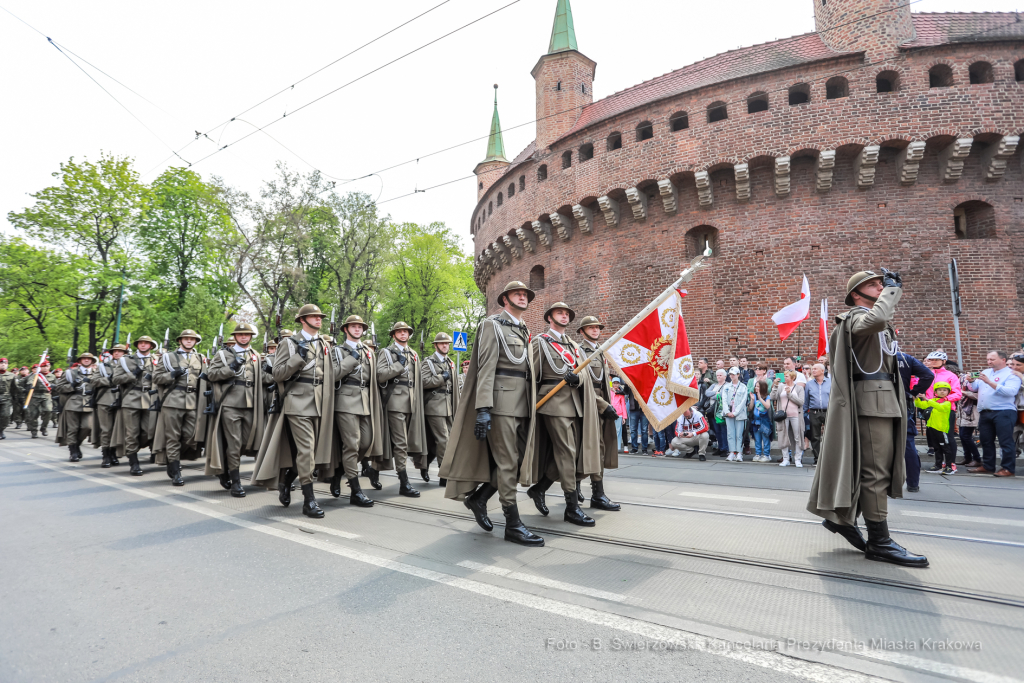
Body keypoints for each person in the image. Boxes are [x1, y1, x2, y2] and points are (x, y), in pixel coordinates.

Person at [808, 269, 928, 567]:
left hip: (883, 402)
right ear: (857, 295)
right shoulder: (855, 318)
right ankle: (879, 541)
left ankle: (841, 520)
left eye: (882, 283)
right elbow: (875, 319)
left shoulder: (875, 323)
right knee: (875, 474)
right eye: (874, 285)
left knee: (874, 469)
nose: (881, 287)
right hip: (872, 404)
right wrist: (892, 290)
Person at [439, 281, 544, 547]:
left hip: (523, 404)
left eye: (525, 294)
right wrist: (483, 408)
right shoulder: (492, 325)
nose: (523, 296)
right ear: (505, 299)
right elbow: (485, 368)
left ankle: (479, 498)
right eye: (517, 294)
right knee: (508, 463)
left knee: (518, 461)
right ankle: (513, 524)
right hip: (501, 404)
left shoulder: (524, 330)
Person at [525, 302, 607, 527]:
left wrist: (577, 378)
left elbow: (584, 375)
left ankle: (539, 489)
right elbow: (530, 375)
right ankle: (572, 507)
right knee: (567, 452)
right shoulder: (540, 342)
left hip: (575, 403)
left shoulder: (573, 345)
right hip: (552, 402)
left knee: (569, 454)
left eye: (566, 313)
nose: (563, 316)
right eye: (559, 313)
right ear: (549, 318)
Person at [251, 304, 336, 518]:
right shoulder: (289, 343)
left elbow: (330, 374)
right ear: (302, 320)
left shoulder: (323, 344)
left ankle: (287, 480)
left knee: (311, 453)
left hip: (319, 401)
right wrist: (297, 358)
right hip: (297, 402)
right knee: (306, 450)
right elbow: (277, 374)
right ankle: (309, 500)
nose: (319, 319)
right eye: (313, 317)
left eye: (319, 317)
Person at [202, 324, 270, 497]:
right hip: (230, 403)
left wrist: (277, 377)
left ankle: (225, 468)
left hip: (251, 403)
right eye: (240, 335)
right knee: (234, 443)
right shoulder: (223, 354)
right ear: (235, 336)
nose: (244, 337)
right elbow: (211, 374)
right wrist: (230, 369)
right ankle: (236, 482)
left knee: (248, 441)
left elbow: (260, 377)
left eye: (247, 335)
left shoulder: (254, 355)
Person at [328, 314, 382, 506]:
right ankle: (355, 490)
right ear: (346, 329)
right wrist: (351, 359)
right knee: (351, 445)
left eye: (360, 327)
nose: (358, 329)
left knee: (366, 443)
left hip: (364, 400)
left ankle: (339, 471)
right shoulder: (337, 351)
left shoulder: (368, 351)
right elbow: (332, 375)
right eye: (354, 326)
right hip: (345, 400)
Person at [573, 315, 622, 511]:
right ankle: (579, 488)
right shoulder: (579, 351)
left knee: (600, 448)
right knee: (586, 448)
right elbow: (583, 383)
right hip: (588, 402)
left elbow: (603, 382)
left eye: (597, 328)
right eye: (591, 328)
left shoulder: (600, 351)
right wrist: (602, 405)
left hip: (602, 402)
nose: (595, 330)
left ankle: (597, 493)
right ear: (582, 331)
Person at [376, 321, 427, 497]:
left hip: (411, 403)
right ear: (393, 335)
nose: (403, 334)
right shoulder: (386, 352)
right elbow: (380, 376)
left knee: (404, 442)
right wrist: (398, 365)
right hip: (395, 403)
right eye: (400, 331)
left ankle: (374, 470)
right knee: (401, 443)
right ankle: (404, 482)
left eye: (406, 331)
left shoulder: (413, 354)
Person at [152, 329, 208, 488]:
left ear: (196, 342)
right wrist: (172, 375)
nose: (189, 341)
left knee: (191, 435)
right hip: (173, 400)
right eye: (186, 339)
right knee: (172, 436)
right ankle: (176, 470)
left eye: (192, 339)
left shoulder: (199, 358)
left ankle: (172, 458)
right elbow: (156, 377)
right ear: (180, 341)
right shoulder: (168, 357)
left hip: (192, 401)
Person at [967, 350, 1022, 477]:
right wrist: (971, 381)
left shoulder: (1012, 374)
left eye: (992, 359)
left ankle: (1008, 468)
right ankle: (988, 466)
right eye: (988, 359)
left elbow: (1011, 392)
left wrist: (989, 382)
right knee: (986, 440)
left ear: (1003, 360)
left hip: (1004, 411)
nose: (989, 362)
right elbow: (975, 388)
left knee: (1005, 441)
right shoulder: (986, 372)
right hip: (986, 411)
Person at [111, 336, 159, 475]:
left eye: (146, 343)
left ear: (151, 345)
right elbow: (115, 379)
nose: (143, 345)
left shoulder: (157, 360)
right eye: (141, 343)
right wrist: (132, 375)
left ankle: (139, 450)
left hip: (150, 398)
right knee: (131, 433)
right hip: (131, 399)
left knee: (149, 431)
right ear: (137, 345)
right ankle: (134, 462)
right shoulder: (126, 360)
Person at [420, 332, 460, 485]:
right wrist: (441, 378)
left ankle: (425, 464)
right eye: (442, 343)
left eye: (447, 343)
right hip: (434, 406)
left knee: (448, 441)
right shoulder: (428, 362)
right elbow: (423, 382)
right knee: (444, 440)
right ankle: (445, 475)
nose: (445, 345)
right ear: (436, 345)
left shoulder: (450, 362)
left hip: (448, 405)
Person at [896, 349, 933, 493]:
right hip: (902, 403)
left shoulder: (869, 355)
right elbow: (928, 375)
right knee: (907, 444)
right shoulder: (905, 358)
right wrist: (912, 393)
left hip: (876, 404)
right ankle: (912, 483)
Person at [922, 351, 962, 469]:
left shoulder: (950, 375)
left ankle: (951, 463)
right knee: (935, 438)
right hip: (932, 410)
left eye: (936, 360)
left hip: (946, 410)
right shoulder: (927, 374)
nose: (933, 362)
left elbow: (957, 394)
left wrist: (943, 399)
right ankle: (938, 463)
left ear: (943, 362)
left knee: (948, 437)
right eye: (931, 360)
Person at [55, 352, 98, 461]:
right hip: (73, 402)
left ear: (92, 361)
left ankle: (77, 444)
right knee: (72, 428)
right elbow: (59, 388)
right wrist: (72, 386)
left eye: (89, 359)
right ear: (80, 361)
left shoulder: (97, 372)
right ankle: (73, 451)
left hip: (89, 402)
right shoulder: (71, 373)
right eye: (84, 358)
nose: (87, 360)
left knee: (87, 426)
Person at [91, 343, 126, 467]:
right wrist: (109, 380)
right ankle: (106, 456)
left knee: (119, 429)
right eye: (114, 351)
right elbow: (94, 380)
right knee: (106, 429)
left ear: (125, 354)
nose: (116, 353)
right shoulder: (103, 366)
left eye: (120, 351)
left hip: (123, 400)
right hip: (105, 399)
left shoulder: (128, 366)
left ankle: (114, 453)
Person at [915, 382, 957, 475]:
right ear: (936, 392)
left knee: (946, 448)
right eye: (940, 390)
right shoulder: (933, 400)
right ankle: (938, 465)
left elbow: (940, 407)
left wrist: (927, 399)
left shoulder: (947, 402)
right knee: (937, 448)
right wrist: (917, 398)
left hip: (941, 429)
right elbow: (921, 405)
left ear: (948, 392)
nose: (942, 392)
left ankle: (949, 466)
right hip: (932, 428)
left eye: (945, 390)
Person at [773, 371, 805, 467]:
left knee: (797, 437)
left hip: (796, 415)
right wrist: (775, 386)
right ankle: (786, 458)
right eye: (784, 376)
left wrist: (789, 394)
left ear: (792, 377)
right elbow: (772, 397)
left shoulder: (799, 388)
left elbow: (801, 402)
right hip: (783, 416)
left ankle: (797, 459)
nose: (784, 378)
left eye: (786, 376)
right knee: (783, 436)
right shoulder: (780, 387)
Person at [805, 363, 831, 464]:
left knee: (830, 435)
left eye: (815, 369)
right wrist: (804, 414)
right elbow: (806, 400)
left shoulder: (830, 382)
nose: (813, 370)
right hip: (814, 412)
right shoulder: (809, 384)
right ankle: (818, 459)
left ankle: (829, 459)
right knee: (815, 437)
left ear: (822, 371)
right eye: (813, 369)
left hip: (828, 412)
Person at [721, 367, 748, 462]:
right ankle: (732, 452)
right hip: (728, 413)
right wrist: (727, 412)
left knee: (739, 434)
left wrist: (735, 412)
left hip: (739, 414)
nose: (732, 376)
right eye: (730, 374)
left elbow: (743, 401)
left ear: (738, 375)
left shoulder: (743, 387)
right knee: (730, 433)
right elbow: (723, 400)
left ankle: (739, 453)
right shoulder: (726, 387)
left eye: (733, 374)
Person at [22, 362, 55, 439]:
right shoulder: (36, 375)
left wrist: (55, 387)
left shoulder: (52, 376)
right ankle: (34, 431)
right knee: (34, 414)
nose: (45, 368)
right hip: (35, 396)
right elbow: (30, 381)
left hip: (46, 395)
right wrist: (30, 385)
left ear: (49, 367)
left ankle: (44, 427)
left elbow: (58, 385)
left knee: (48, 411)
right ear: (41, 367)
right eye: (43, 366)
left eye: (47, 366)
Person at [705, 369, 729, 457]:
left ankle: (725, 448)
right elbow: (707, 393)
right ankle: (720, 448)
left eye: (720, 375)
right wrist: (716, 393)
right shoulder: (714, 385)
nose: (718, 377)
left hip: (720, 411)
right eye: (717, 375)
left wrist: (714, 395)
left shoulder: (727, 385)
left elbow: (721, 395)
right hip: (712, 412)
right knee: (717, 431)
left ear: (725, 376)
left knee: (723, 430)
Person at [749, 380, 774, 462]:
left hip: (764, 421)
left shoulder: (767, 397)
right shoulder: (754, 396)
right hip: (756, 421)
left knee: (765, 438)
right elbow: (750, 408)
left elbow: (767, 406)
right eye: (756, 386)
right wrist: (752, 400)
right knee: (757, 438)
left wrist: (760, 398)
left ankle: (766, 454)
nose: (756, 388)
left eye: (758, 386)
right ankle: (758, 454)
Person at [625, 379, 649, 455]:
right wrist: (626, 382)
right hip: (633, 409)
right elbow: (625, 391)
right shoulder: (631, 383)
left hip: (644, 410)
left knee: (644, 430)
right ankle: (634, 448)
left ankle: (644, 449)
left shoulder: (645, 383)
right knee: (633, 430)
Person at [610, 376, 629, 453]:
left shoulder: (621, 393)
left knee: (618, 431)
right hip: (610, 414)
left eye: (617, 383)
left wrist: (624, 417)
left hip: (619, 414)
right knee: (611, 430)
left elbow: (623, 405)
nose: (616, 385)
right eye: (614, 383)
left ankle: (617, 447)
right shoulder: (609, 392)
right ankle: (611, 446)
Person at [0, 357, 15, 439]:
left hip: (6, 398)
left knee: (5, 416)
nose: (3, 364)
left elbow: (14, 387)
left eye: (5, 363)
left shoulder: (11, 375)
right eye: (1, 363)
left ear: (7, 365)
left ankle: (1, 430)